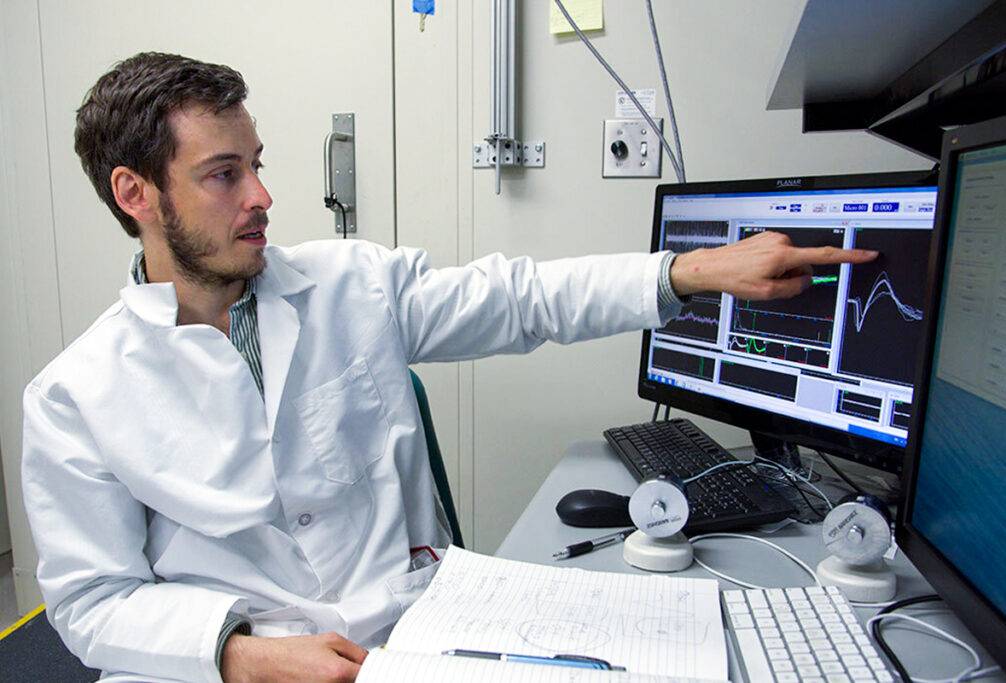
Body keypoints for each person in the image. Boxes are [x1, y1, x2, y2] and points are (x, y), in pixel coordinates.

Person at [20, 52, 877, 683]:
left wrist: (686, 273)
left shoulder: (350, 284)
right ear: (136, 194)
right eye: (223, 173)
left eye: (258, 164)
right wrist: (239, 654)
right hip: (223, 665)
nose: (262, 196)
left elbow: (522, 299)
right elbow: (94, 602)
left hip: (405, 642)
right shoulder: (73, 396)